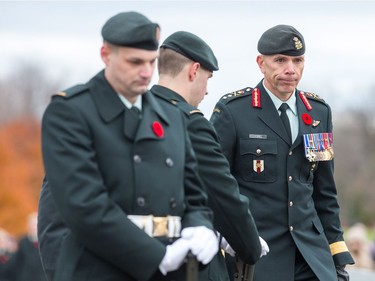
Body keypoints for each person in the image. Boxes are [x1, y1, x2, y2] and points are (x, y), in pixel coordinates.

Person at [38, 11, 219, 281]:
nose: (146, 72)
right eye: (135, 62)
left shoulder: (170, 116)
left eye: (151, 61)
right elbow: (85, 206)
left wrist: (202, 227)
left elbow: (193, 195)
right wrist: (156, 257)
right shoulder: (71, 112)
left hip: (172, 268)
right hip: (100, 269)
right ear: (105, 55)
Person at [210, 24, 354, 281]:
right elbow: (215, 185)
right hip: (259, 256)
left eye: (297, 60)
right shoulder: (233, 111)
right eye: (280, 60)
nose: (291, 69)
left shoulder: (319, 113)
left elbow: (325, 193)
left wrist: (338, 257)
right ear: (261, 63)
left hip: (312, 257)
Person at [151, 31, 269, 280]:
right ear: (194, 71)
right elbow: (223, 196)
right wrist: (250, 247)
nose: (206, 92)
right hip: (185, 265)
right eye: (208, 78)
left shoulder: (130, 113)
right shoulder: (191, 123)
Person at [7, 212, 47, 281]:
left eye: (35, 224)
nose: (34, 227)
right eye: (32, 225)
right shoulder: (22, 242)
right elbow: (16, 262)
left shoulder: (46, 239)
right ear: (28, 226)